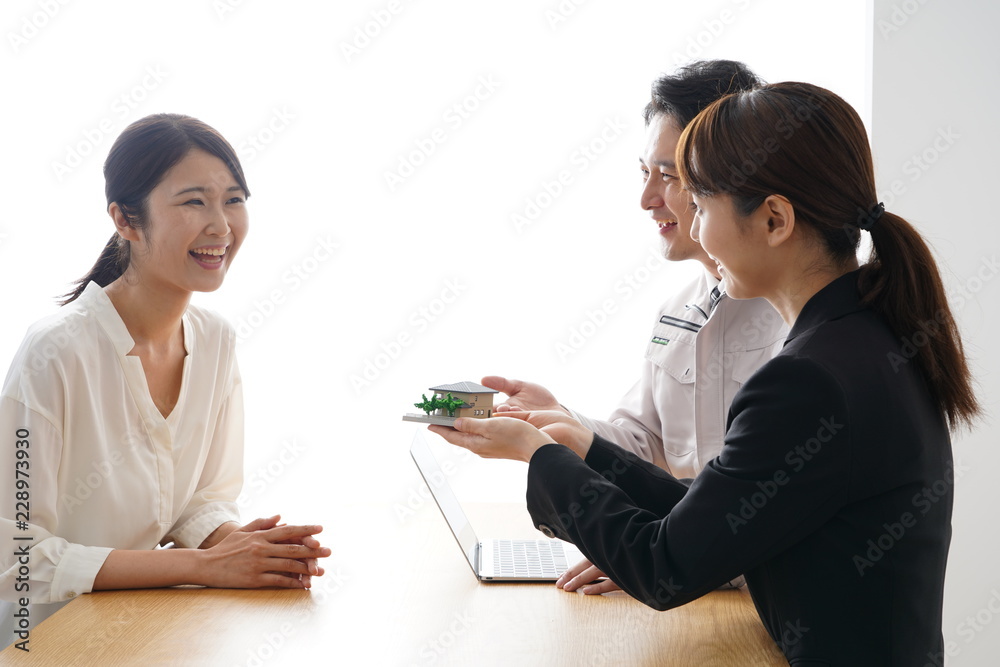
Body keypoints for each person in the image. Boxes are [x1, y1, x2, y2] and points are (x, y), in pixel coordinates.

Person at [432, 82, 979, 664]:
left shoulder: (807, 380)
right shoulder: (867, 335)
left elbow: (665, 565)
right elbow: (722, 513)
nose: (694, 230)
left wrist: (538, 455)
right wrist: (586, 450)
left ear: (774, 220)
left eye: (703, 206)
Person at [0, 114, 330, 644]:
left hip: (145, 630)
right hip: (42, 641)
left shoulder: (215, 340)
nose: (221, 226)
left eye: (234, 200)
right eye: (194, 202)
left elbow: (198, 501)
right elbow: (16, 557)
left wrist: (243, 547)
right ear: (125, 219)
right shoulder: (55, 352)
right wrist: (205, 567)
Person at [484, 60, 787, 594]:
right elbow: (643, 448)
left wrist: (646, 552)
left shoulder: (802, 330)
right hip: (693, 577)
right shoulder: (680, 308)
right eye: (644, 172)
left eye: (669, 176)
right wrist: (560, 419)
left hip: (740, 592)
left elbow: (771, 517)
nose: (647, 199)